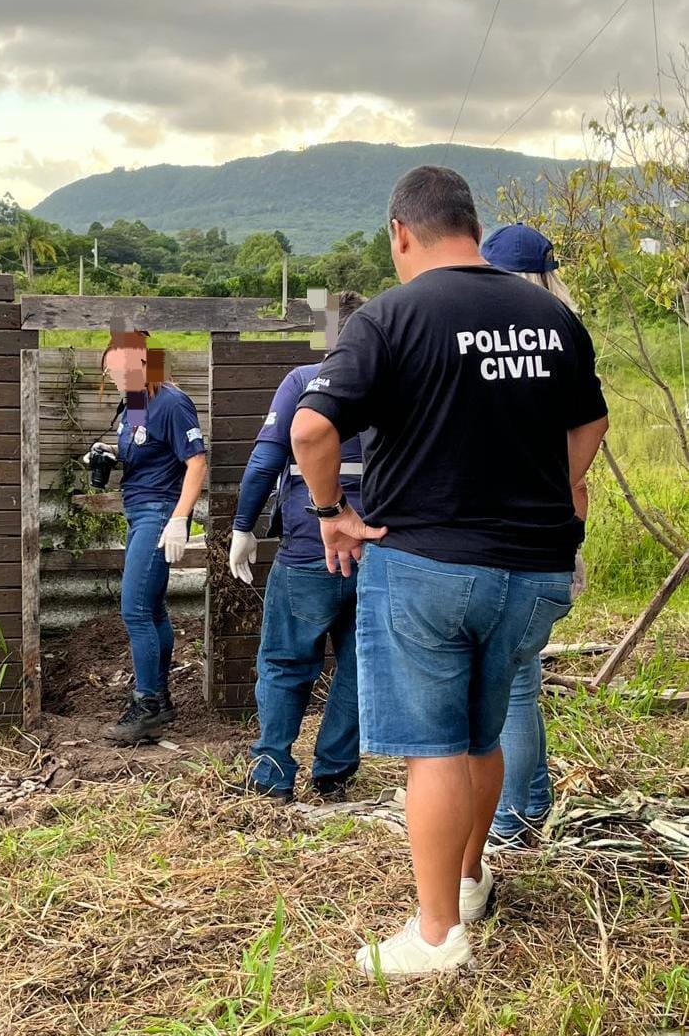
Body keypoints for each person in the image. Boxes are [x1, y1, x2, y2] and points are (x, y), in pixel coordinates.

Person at [290, 166, 608, 979]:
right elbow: (592, 418)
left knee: (433, 749)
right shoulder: (549, 315)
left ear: (402, 231)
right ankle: (468, 881)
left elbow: (311, 431)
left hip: (429, 564)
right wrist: (560, 491)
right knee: (482, 728)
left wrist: (333, 515)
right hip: (534, 571)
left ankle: (436, 937)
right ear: (471, 223)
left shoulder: (390, 317)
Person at [228, 292, 366, 803]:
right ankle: (333, 776)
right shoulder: (401, 383)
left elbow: (265, 463)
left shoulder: (304, 381)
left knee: (286, 662)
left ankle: (271, 775)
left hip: (313, 548)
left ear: (331, 335)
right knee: (357, 666)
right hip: (380, 551)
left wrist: (243, 528)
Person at [480, 223, 588, 849]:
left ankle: (513, 820)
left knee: (510, 684)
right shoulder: (569, 337)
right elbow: (584, 446)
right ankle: (532, 799)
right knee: (522, 673)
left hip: (497, 540)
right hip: (555, 534)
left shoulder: (480, 341)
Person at [91, 331, 207, 743]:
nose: (117, 378)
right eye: (110, 372)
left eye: (121, 370)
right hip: (138, 510)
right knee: (152, 609)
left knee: (134, 609)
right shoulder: (139, 402)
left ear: (144, 362)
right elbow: (142, 450)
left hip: (159, 512)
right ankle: (159, 700)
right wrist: (109, 451)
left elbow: (196, 463)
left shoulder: (172, 402)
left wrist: (179, 519)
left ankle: (148, 704)